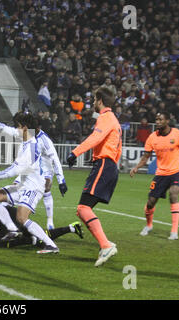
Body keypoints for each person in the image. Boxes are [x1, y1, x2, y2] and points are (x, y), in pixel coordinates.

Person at [0, 112, 60, 254]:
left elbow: (11, 171)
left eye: (17, 126)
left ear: (24, 128)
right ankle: (12, 229)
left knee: (22, 217)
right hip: (22, 184)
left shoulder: (31, 148)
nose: (15, 129)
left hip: (33, 187)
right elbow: (12, 131)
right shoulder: (26, 138)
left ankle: (51, 245)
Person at [66, 87, 122, 267]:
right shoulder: (114, 120)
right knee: (83, 208)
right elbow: (114, 147)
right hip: (109, 165)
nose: (92, 102)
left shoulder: (105, 118)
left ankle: (105, 245)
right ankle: (106, 243)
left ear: (99, 100)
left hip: (105, 165)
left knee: (83, 208)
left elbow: (94, 138)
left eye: (94, 99)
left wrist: (75, 153)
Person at [129, 112, 179, 240]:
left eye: (160, 119)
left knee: (173, 194)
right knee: (150, 203)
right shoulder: (152, 137)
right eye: (156, 119)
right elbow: (146, 156)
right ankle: (149, 225)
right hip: (161, 174)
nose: (158, 122)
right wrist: (137, 167)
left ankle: (174, 231)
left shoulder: (178, 135)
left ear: (167, 121)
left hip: (176, 171)